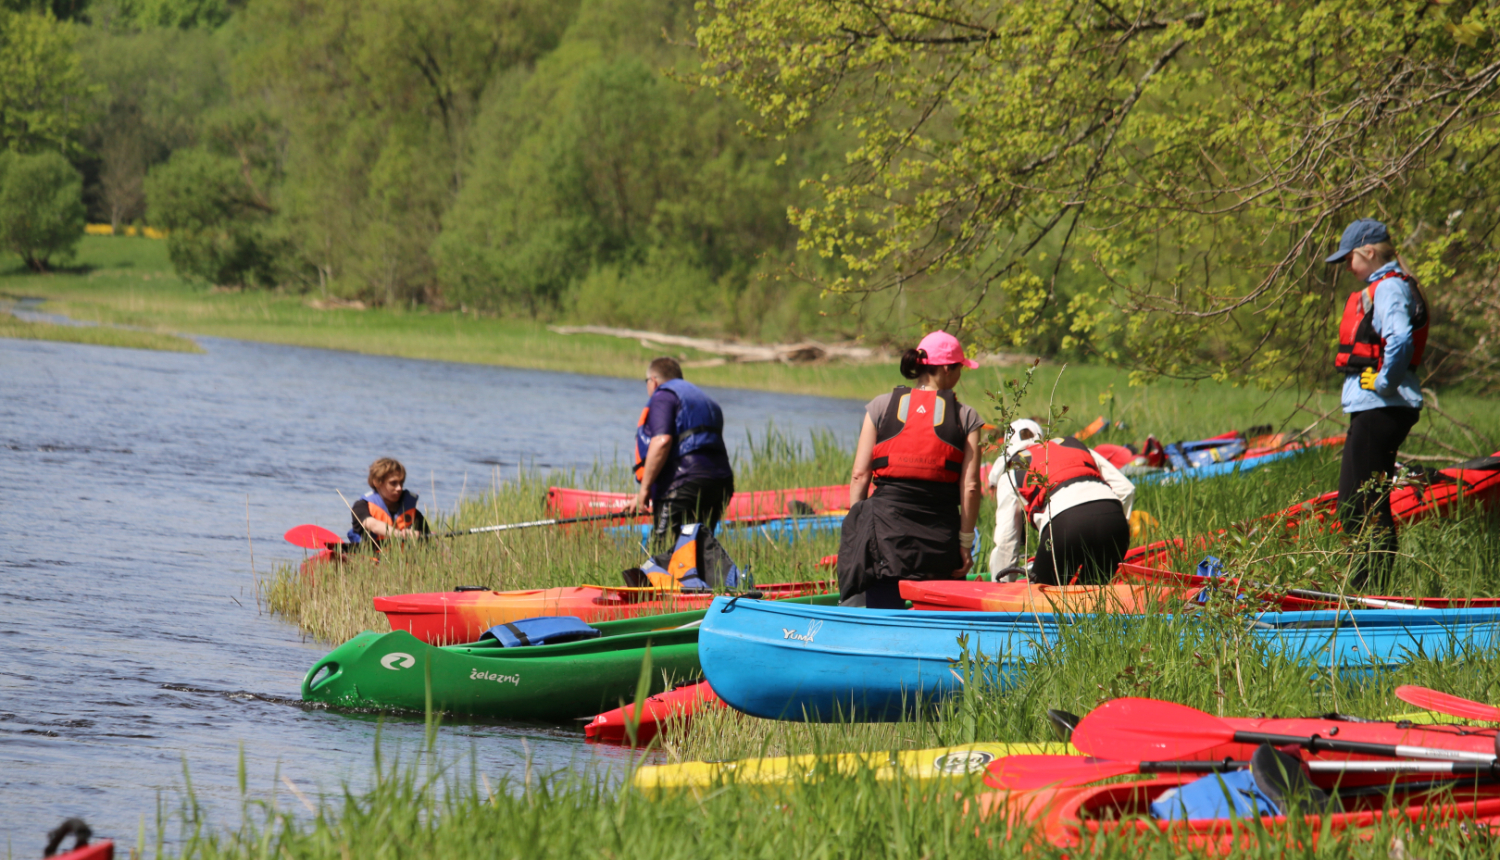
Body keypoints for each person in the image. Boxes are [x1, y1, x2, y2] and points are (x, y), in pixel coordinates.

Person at [837, 331, 984, 609]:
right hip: (939, 539)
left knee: (880, 614)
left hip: (884, 532)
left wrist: (859, 529)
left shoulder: (881, 406)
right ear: (944, 369)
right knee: (941, 618)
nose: (960, 375)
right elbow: (971, 486)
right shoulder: (967, 416)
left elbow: (860, 474)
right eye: (960, 368)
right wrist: (965, 543)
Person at [1326, 218, 1427, 587]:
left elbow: (1399, 338)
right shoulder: (1386, 286)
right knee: (1362, 503)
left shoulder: (1388, 289)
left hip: (1380, 407)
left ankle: (1370, 590)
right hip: (1375, 407)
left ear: (1368, 252)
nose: (1348, 269)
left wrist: (1384, 382)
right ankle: (1368, 586)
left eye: (1349, 259)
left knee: (1361, 505)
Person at [989, 419, 1135, 585]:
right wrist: (1108, 523)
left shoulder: (1011, 472)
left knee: (1042, 603)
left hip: (1065, 526)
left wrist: (1000, 587)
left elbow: (1006, 543)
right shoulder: (1074, 445)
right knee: (1091, 600)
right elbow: (1126, 489)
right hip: (1115, 524)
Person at [624, 357, 735, 557]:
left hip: (684, 484)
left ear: (654, 381)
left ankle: (652, 588)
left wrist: (644, 490)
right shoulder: (706, 399)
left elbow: (662, 441)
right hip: (721, 484)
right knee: (696, 552)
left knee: (659, 551)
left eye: (646, 382)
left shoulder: (663, 396)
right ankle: (701, 587)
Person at [347, 457, 429, 548]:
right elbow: (373, 525)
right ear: (377, 482)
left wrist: (416, 534)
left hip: (402, 559)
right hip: (372, 557)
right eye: (393, 483)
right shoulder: (361, 506)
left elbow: (428, 540)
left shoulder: (413, 513)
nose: (399, 488)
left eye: (401, 482)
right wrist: (401, 534)